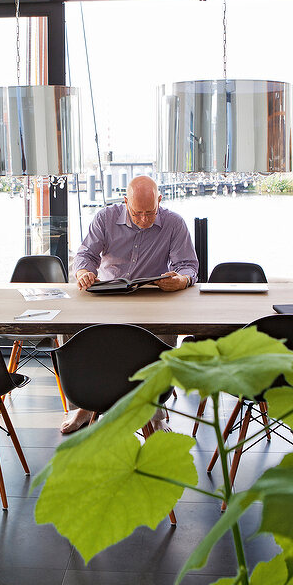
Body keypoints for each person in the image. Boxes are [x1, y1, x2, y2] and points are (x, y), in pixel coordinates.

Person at [61, 175, 199, 434]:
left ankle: (155, 413)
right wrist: (83, 273)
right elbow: (85, 255)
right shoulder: (105, 218)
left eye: (150, 212)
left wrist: (182, 280)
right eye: (137, 214)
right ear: (125, 202)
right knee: (72, 329)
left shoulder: (174, 223)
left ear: (160, 200)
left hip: (152, 300)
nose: (145, 220)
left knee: (163, 335)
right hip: (107, 296)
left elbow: (188, 266)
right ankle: (86, 404)